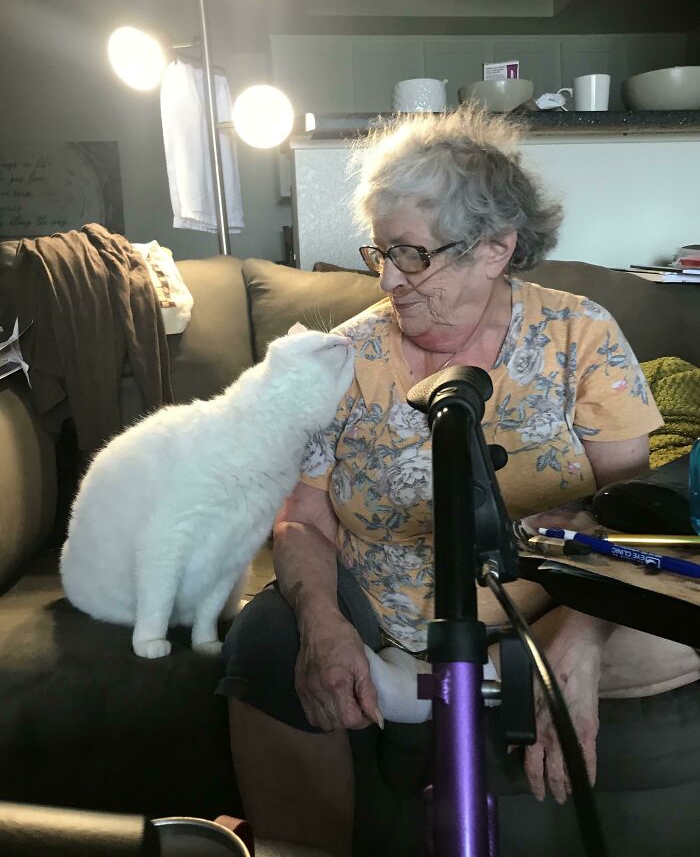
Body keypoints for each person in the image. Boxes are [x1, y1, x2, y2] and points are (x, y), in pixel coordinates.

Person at [216, 108, 700, 855]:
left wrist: (582, 632)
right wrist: (324, 623)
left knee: (678, 619)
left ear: (496, 249)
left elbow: (627, 516)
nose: (384, 279)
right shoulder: (339, 358)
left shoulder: (581, 334)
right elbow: (302, 522)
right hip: (389, 623)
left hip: (549, 605)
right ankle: (444, 684)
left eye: (412, 255)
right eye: (380, 250)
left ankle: (445, 688)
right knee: (265, 635)